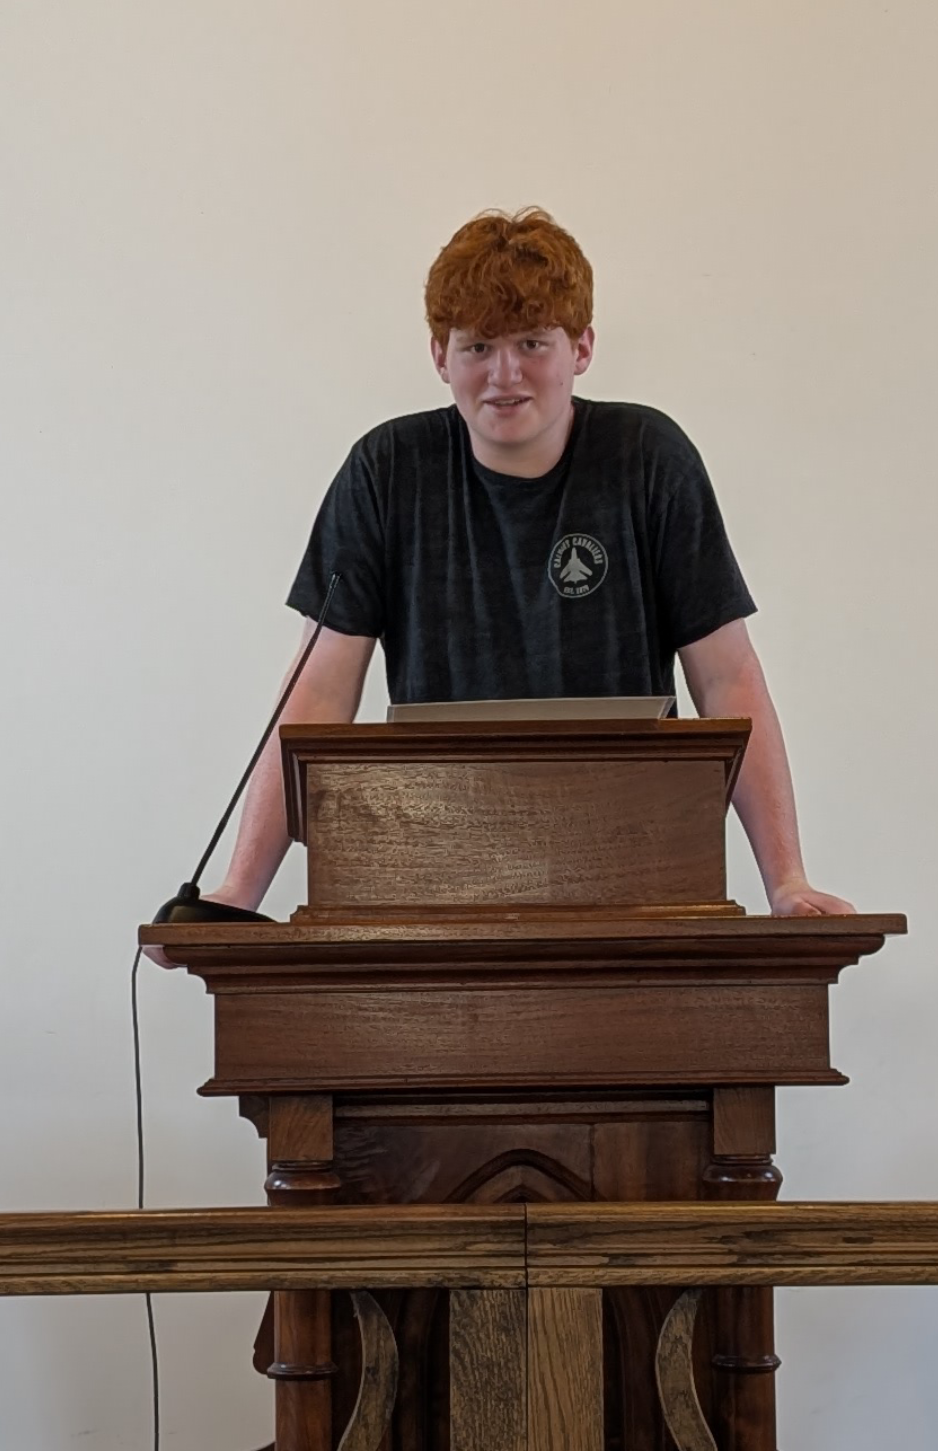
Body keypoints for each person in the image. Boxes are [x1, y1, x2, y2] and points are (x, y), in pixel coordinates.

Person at [201, 207, 854, 918]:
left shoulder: (649, 460)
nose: (503, 374)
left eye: (532, 344)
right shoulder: (385, 472)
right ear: (439, 356)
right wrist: (239, 893)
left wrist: (786, 881)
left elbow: (728, 678)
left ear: (581, 347)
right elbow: (318, 691)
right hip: (436, 869)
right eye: (478, 347)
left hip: (634, 869)